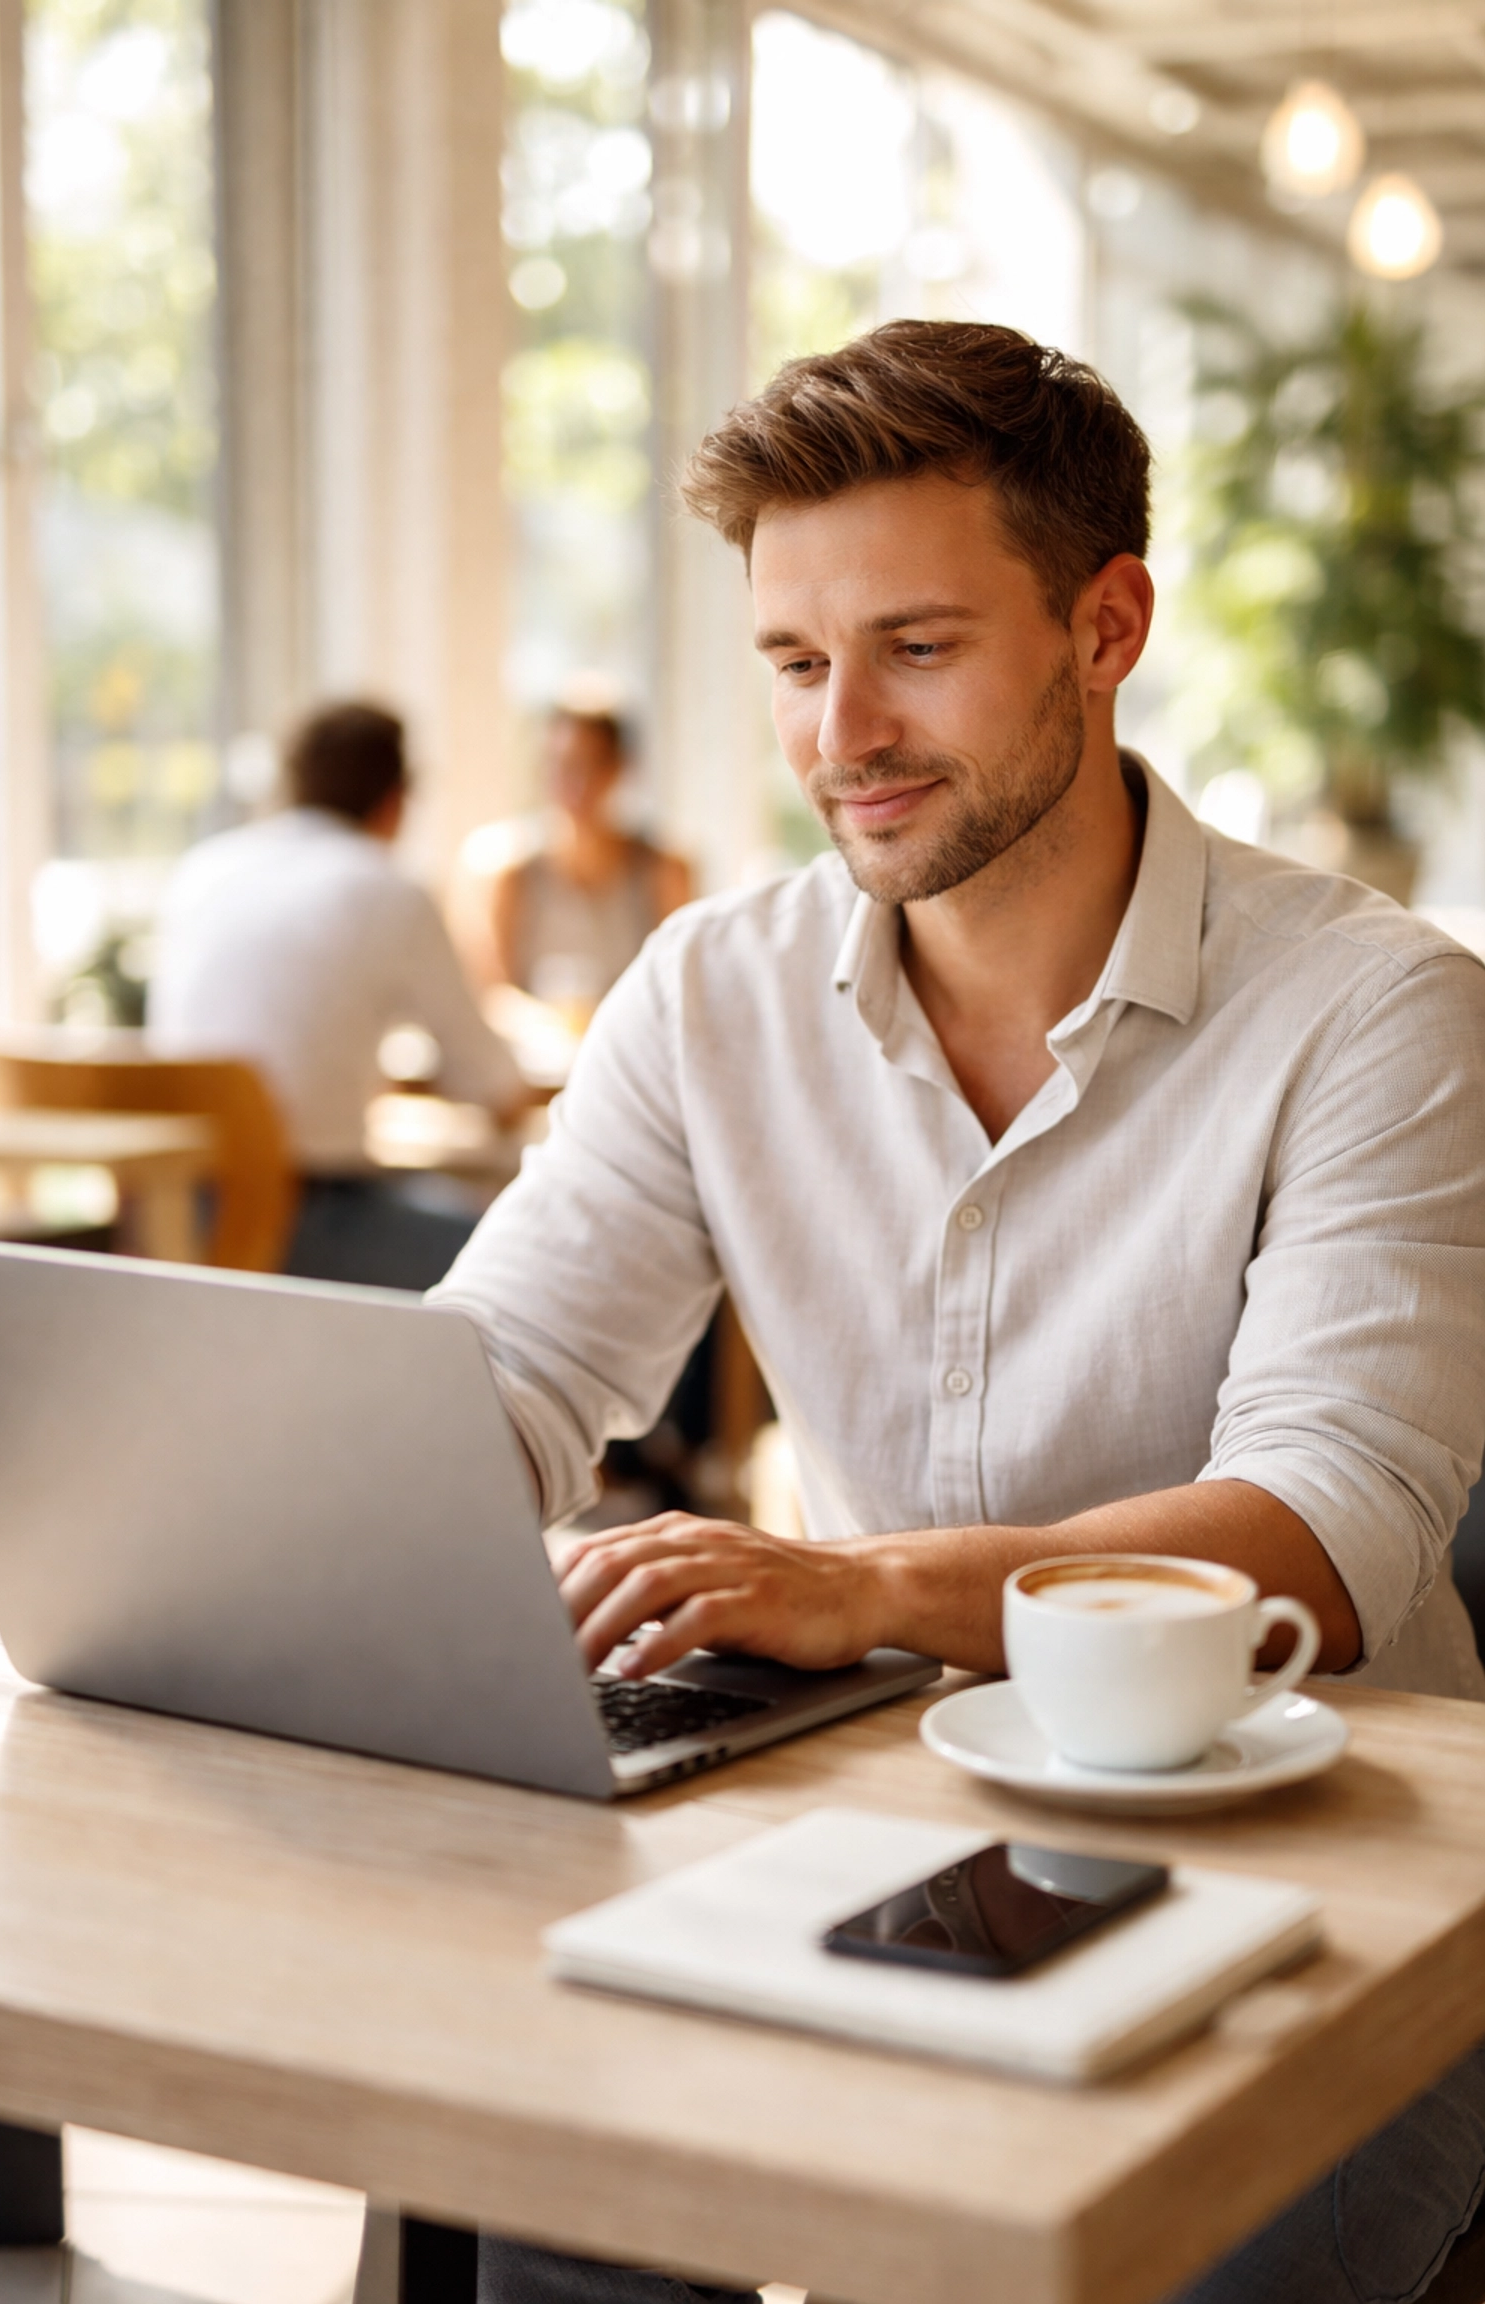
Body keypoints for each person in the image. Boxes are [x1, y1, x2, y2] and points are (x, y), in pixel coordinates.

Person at [434, 322, 1485, 2303]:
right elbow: (508, 1374)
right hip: (888, 1830)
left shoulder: (1378, 1011)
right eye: (796, 663)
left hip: (1333, 1887)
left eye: (916, 647)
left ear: (1108, 627)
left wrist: (864, 1589)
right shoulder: (706, 994)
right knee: (574, 2199)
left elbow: (1320, 1541)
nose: (843, 733)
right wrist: (316, 1510)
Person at [149, 700, 526, 1292]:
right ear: (396, 799)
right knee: (528, 1267)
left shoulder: (204, 869)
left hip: (171, 1221)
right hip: (300, 1225)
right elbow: (494, 1084)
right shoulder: (387, 890)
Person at [489, 706, 692, 1020]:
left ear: (619, 769)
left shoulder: (664, 870)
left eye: (589, 765)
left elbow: (681, 984)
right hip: (541, 1057)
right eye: (559, 766)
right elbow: (493, 993)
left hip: (633, 1050)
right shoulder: (510, 874)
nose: (575, 783)